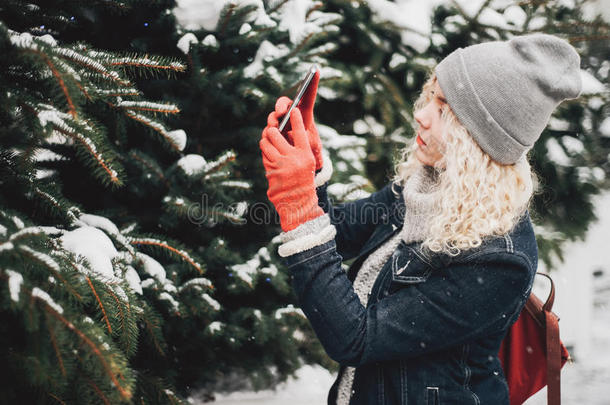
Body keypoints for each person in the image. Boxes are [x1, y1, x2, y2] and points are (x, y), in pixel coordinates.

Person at [259, 33, 582, 405]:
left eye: (443, 107)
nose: (421, 114)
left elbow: (355, 337)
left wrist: (298, 205)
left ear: (480, 138)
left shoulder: (500, 260)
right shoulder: (426, 188)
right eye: (431, 95)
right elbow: (338, 232)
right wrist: (309, 167)